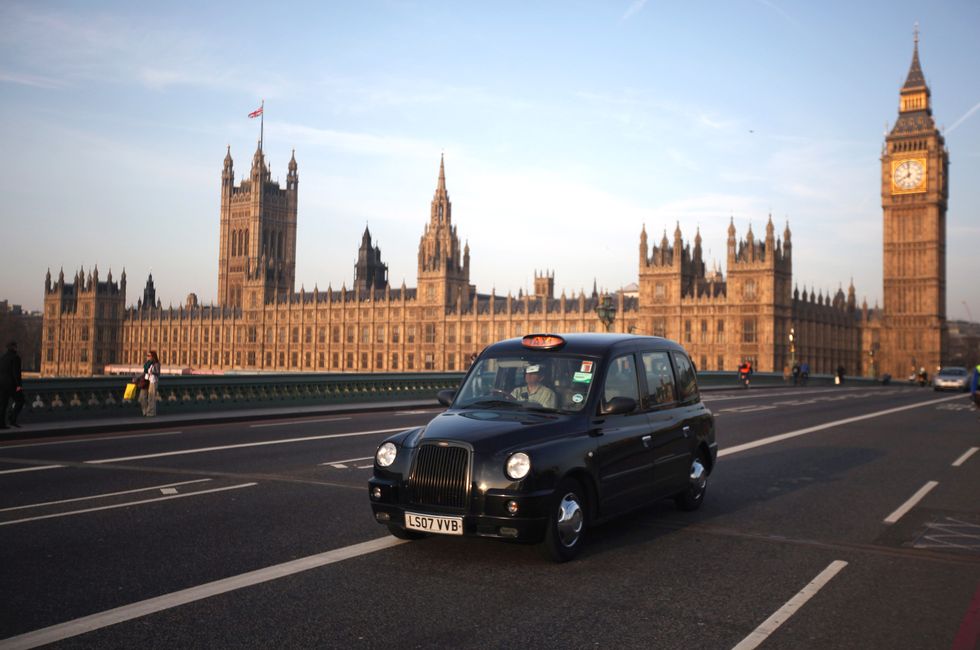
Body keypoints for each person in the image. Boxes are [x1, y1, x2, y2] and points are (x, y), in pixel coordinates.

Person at [0, 341, 24, 429]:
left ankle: (1, 423)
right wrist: (19, 385)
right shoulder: (16, 358)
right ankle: (12, 419)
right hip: (11, 385)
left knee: (3, 404)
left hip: (1, 384)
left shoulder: (2, 357)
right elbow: (16, 373)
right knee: (20, 401)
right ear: (14, 347)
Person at [139, 350, 161, 417]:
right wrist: (137, 377)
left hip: (153, 381)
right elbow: (144, 372)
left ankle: (151, 413)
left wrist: (152, 372)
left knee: (151, 398)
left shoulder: (156, 364)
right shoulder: (148, 363)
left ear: (153, 356)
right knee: (142, 397)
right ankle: (145, 411)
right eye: (147, 355)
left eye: (149, 356)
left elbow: (158, 373)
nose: (147, 357)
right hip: (146, 381)